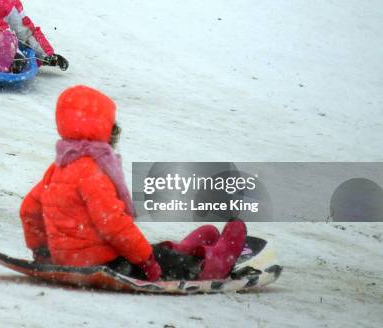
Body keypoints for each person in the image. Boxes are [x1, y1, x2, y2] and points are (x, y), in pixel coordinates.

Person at [20, 85, 247, 281]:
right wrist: (146, 259)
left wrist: (43, 252)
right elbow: (113, 225)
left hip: (69, 259)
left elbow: (29, 210)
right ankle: (205, 265)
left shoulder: (59, 167)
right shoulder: (91, 172)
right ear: (104, 128)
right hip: (103, 264)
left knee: (149, 250)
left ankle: (186, 251)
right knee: (155, 257)